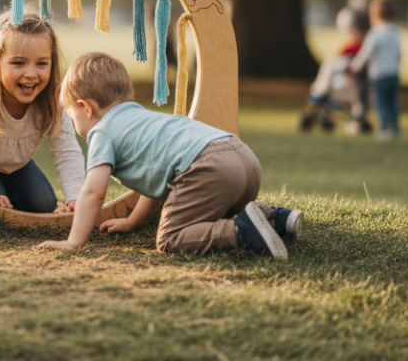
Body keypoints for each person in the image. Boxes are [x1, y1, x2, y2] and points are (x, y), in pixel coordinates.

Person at [39, 51, 302, 258]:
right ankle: (277, 218)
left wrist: (74, 242)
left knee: (170, 238)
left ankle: (241, 231)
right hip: (243, 159)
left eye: (73, 117)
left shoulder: (102, 131)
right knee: (212, 210)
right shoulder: (141, 117)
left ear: (86, 108)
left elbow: (93, 192)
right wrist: (133, 222)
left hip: (209, 168)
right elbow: (153, 183)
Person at [0, 10, 85, 213]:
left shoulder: (54, 98)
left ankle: (2, 188)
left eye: (41, 63)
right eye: (18, 63)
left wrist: (75, 197)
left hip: (11, 164)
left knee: (43, 204)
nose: (30, 74)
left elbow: (67, 151)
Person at [350, 0, 402, 139]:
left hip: (380, 74)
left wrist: (355, 66)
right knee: (392, 102)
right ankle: (395, 128)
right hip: (394, 74)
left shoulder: (375, 34)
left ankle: (385, 128)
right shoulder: (395, 32)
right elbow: (398, 53)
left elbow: (366, 53)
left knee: (381, 103)